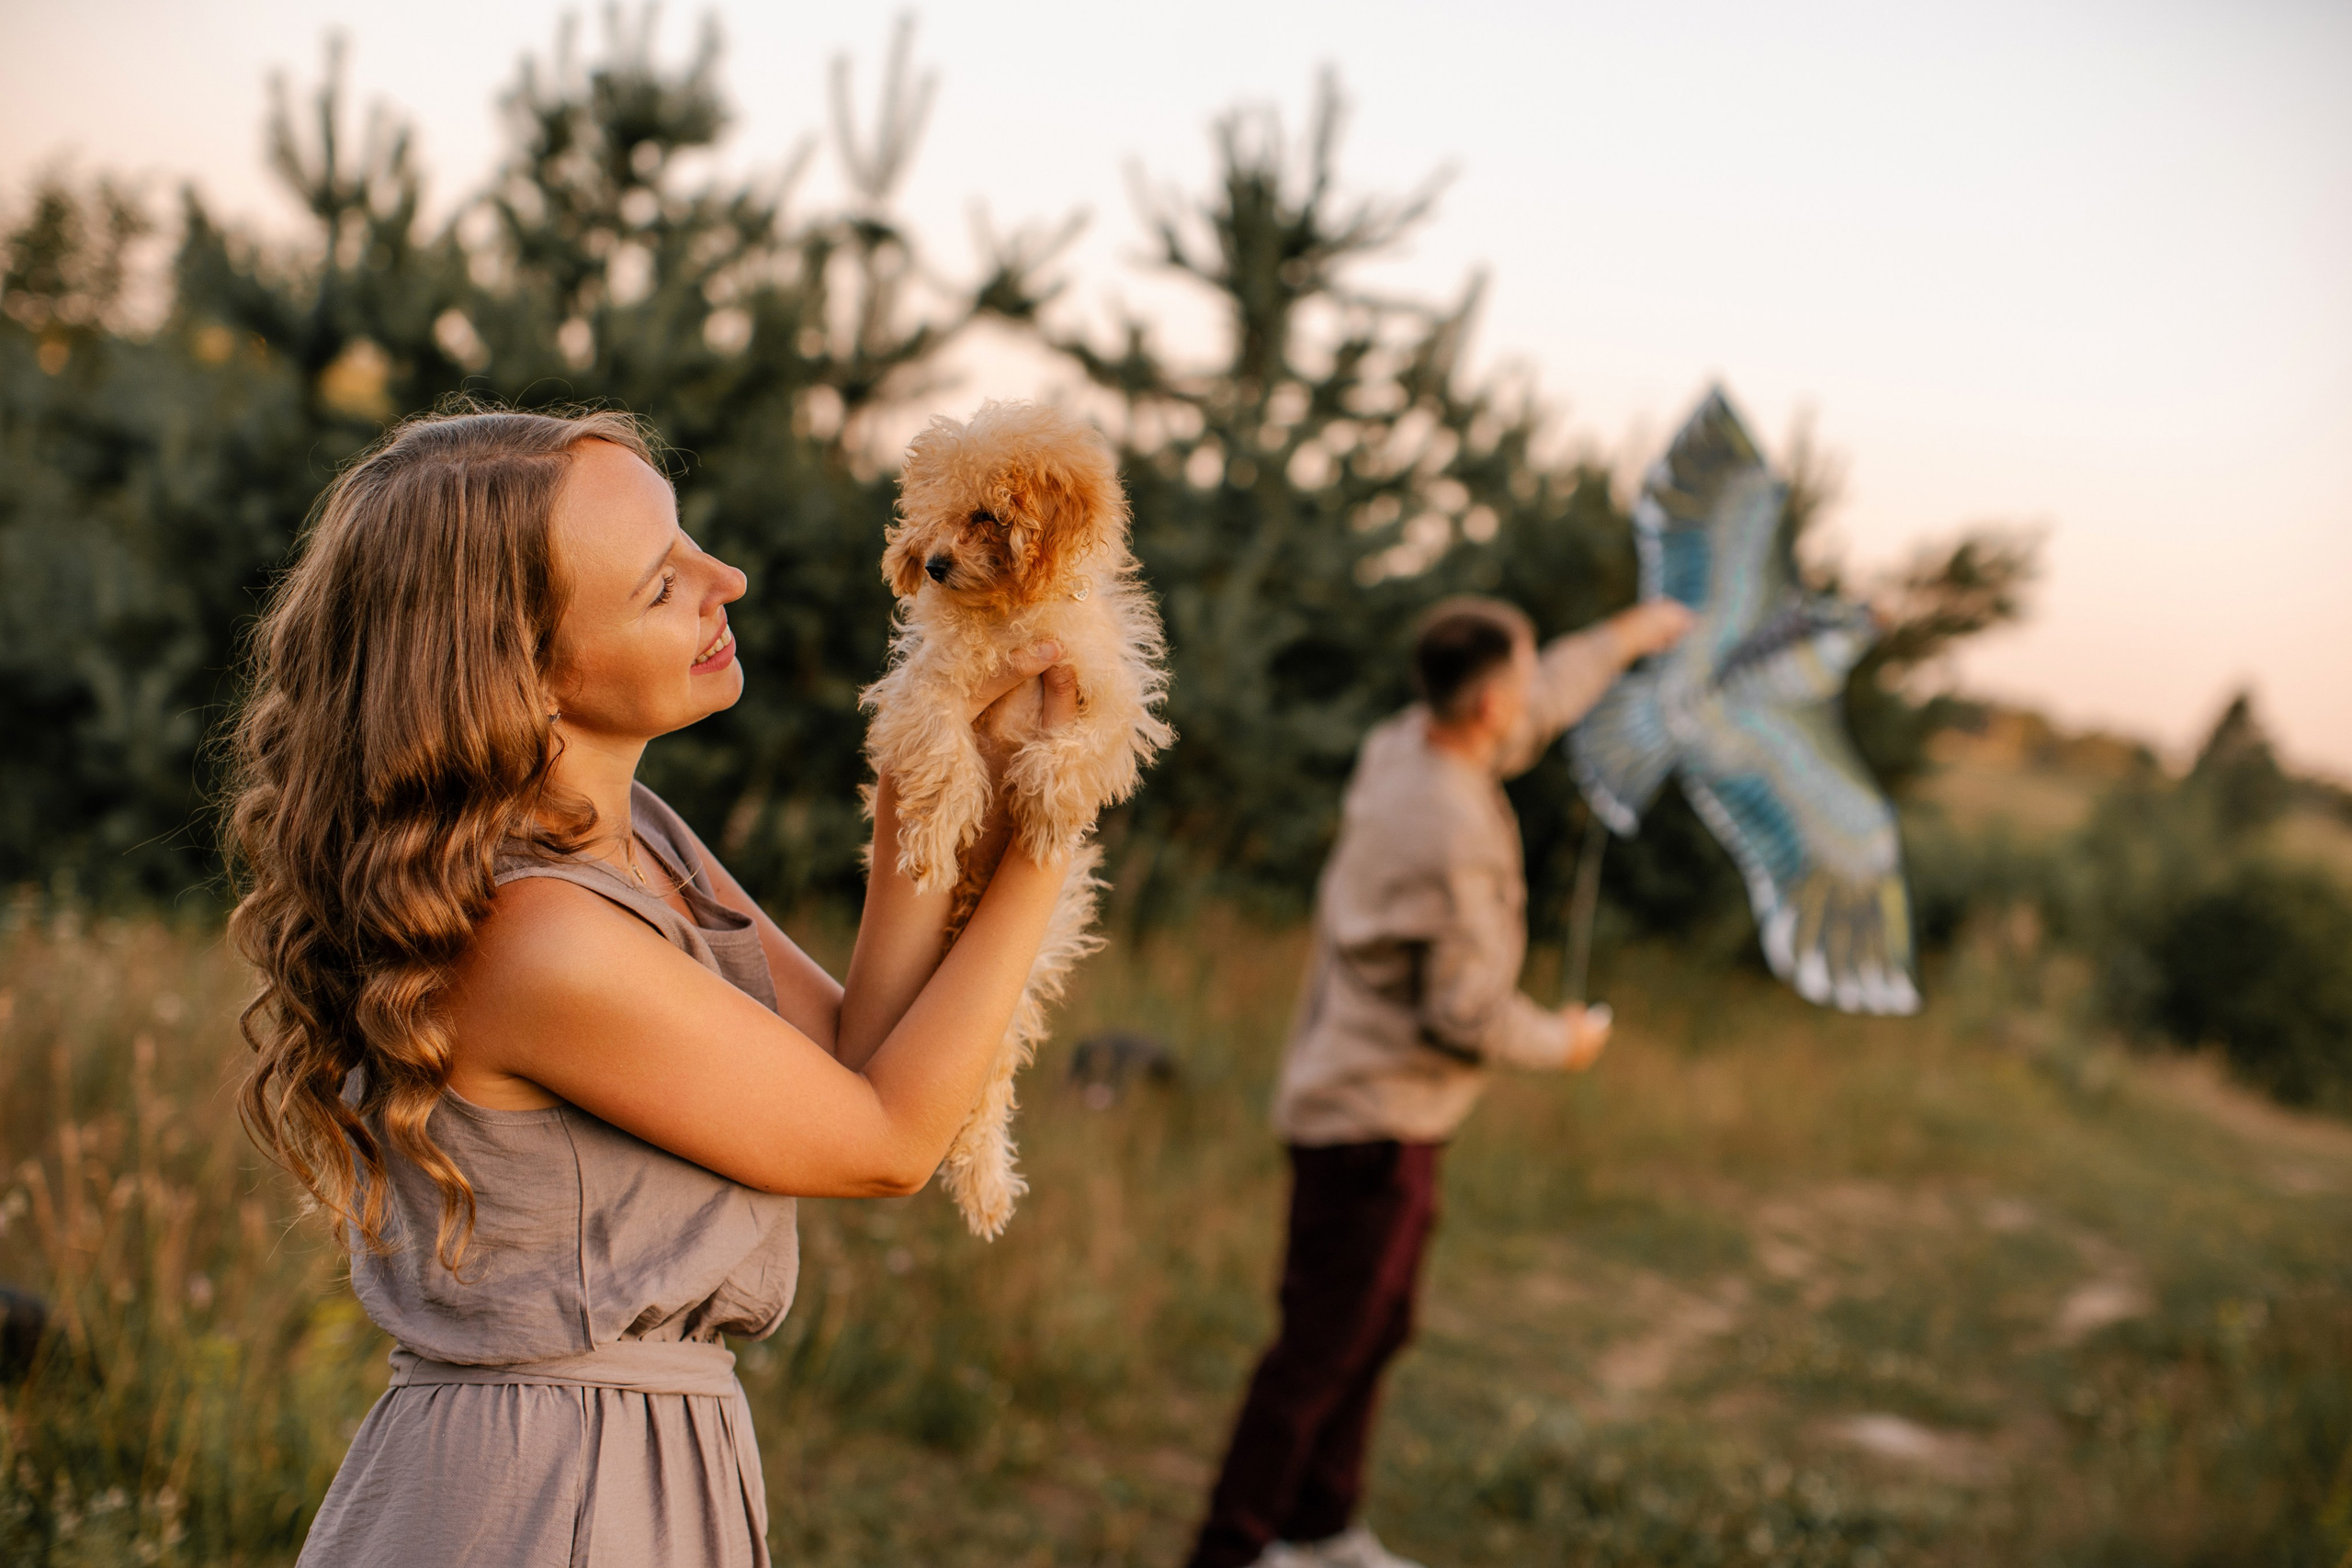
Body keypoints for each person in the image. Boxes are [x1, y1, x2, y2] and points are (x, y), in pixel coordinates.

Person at [228, 407, 1081, 1567]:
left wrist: (920, 795)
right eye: (657, 585)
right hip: (548, 1499)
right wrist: (1049, 826)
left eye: (690, 543)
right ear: (522, 676)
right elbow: (886, 1140)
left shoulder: (637, 841)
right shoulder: (536, 937)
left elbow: (855, 1058)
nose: (723, 578)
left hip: (631, 1464)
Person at [1187, 594, 1694, 1568]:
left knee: (1377, 1330)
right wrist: (1565, 1044)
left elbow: (1538, 700)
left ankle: (1322, 1529)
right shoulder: (1453, 830)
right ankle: (1233, 1548)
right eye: (1523, 673)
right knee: (1321, 1348)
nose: (1531, 690)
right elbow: (1463, 1013)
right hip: (1367, 1122)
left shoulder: (1404, 744)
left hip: (1377, 1107)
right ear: (1488, 704)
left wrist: (1627, 636)